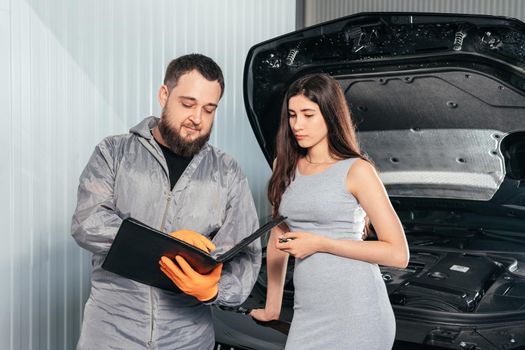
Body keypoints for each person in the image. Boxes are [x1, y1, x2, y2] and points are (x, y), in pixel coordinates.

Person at [71, 53, 261, 350]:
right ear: (164, 95)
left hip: (188, 338)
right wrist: (169, 243)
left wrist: (213, 290)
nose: (197, 119)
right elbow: (88, 223)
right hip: (110, 334)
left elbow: (245, 255)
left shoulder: (227, 172)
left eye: (209, 109)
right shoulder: (114, 152)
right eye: (187, 104)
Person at [250, 74, 409, 349]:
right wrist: (272, 307)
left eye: (308, 115)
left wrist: (321, 243)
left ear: (329, 114)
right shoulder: (283, 165)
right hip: (308, 312)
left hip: (358, 311)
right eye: (292, 115)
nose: (297, 125)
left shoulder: (357, 170)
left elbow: (398, 254)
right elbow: (279, 236)